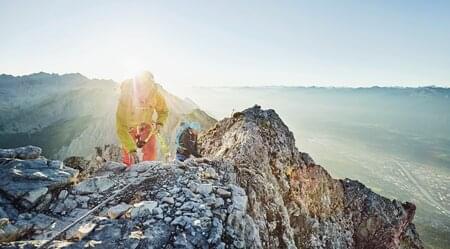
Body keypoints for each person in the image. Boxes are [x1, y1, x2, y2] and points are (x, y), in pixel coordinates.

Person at [116, 71, 168, 166]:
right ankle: (129, 173)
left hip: (146, 126)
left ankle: (148, 170)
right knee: (129, 157)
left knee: (151, 150)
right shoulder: (126, 98)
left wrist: (160, 123)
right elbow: (121, 127)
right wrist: (132, 149)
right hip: (129, 128)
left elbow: (163, 111)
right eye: (143, 88)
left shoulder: (155, 94)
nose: (145, 94)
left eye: (148, 88)